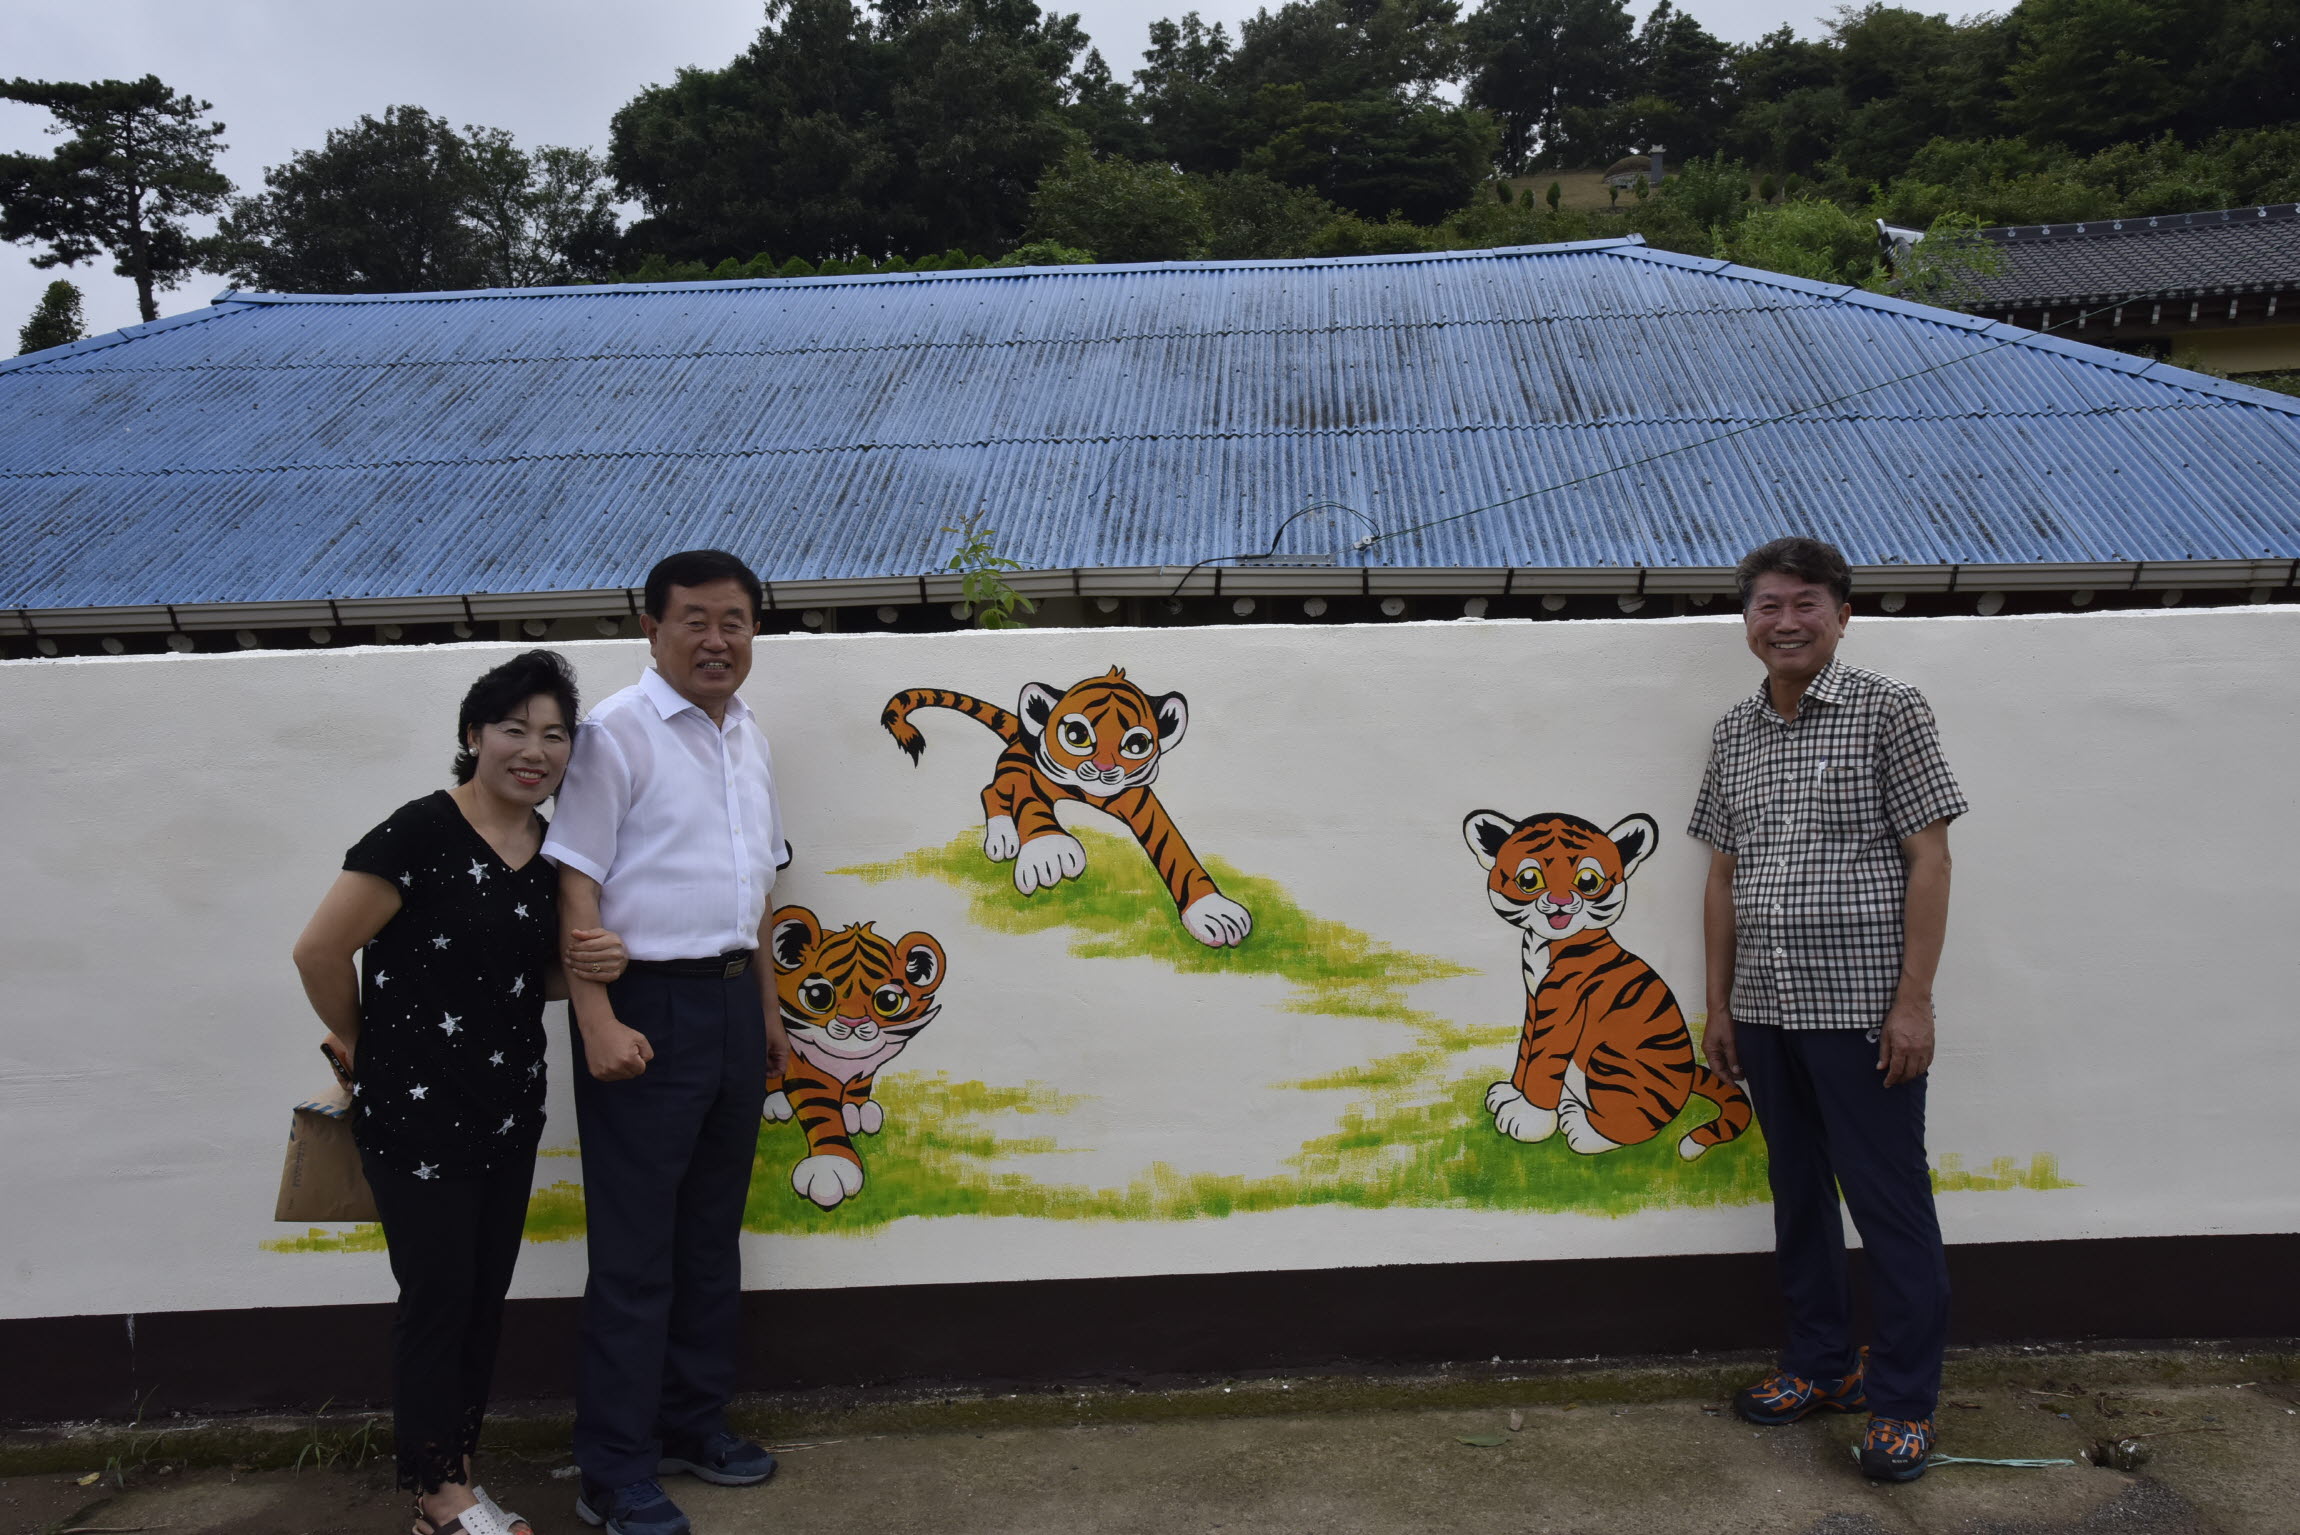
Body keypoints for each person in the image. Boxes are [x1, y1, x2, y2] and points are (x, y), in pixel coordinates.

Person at [292, 650, 628, 1535]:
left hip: (509, 1107)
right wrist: (364, 1046)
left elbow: (528, 976)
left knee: (481, 1297)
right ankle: (438, 1496)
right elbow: (319, 952)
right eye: (514, 728)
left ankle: (458, 1479)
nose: (535, 749)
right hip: (414, 1111)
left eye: (554, 735)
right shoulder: (419, 832)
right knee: (438, 1297)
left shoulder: (554, 852)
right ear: (473, 735)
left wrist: (596, 963)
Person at [1687, 536, 1967, 1483]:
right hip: (1763, 1009)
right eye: (1768, 605)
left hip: (1860, 1013)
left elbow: (1931, 859)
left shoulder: (1891, 710)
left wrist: (1913, 1004)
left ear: (1842, 615)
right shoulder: (1732, 730)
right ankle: (1818, 1364)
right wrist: (1719, 1003)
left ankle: (1902, 1400)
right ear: (1748, 622)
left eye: (1807, 603)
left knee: (1889, 1204)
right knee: (1798, 1192)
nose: (1787, 621)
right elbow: (1722, 872)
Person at [541, 550, 793, 1535]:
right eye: (693, 618)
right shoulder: (613, 732)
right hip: (641, 1003)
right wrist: (595, 1017)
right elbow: (574, 881)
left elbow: (756, 891)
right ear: (650, 627)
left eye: (733, 620)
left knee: (707, 1239)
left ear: (753, 632)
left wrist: (767, 1010)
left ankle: (693, 1423)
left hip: (733, 1002)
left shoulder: (748, 736)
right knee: (636, 1253)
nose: (714, 638)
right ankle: (611, 1466)